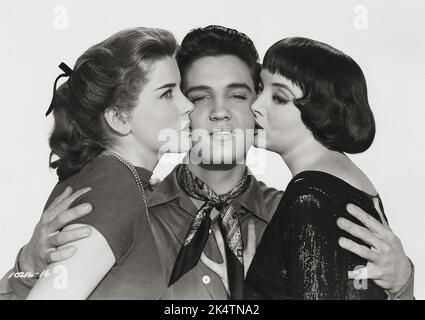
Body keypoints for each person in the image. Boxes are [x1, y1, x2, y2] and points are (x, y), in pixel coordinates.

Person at [0, 26, 414, 300]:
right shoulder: (128, 207)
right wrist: (26, 266)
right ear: (181, 107)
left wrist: (402, 287)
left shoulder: (301, 214)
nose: (219, 112)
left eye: (237, 94)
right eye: (198, 96)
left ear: (260, 104)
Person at [5, 27, 193, 299]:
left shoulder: (112, 179)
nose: (187, 105)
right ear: (119, 117)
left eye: (180, 90)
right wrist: (27, 266)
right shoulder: (116, 187)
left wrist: (25, 267)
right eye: (166, 94)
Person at [243, 37, 413, 299]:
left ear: (320, 111)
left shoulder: (310, 196)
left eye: (278, 98)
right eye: (259, 88)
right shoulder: (348, 182)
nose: (256, 105)